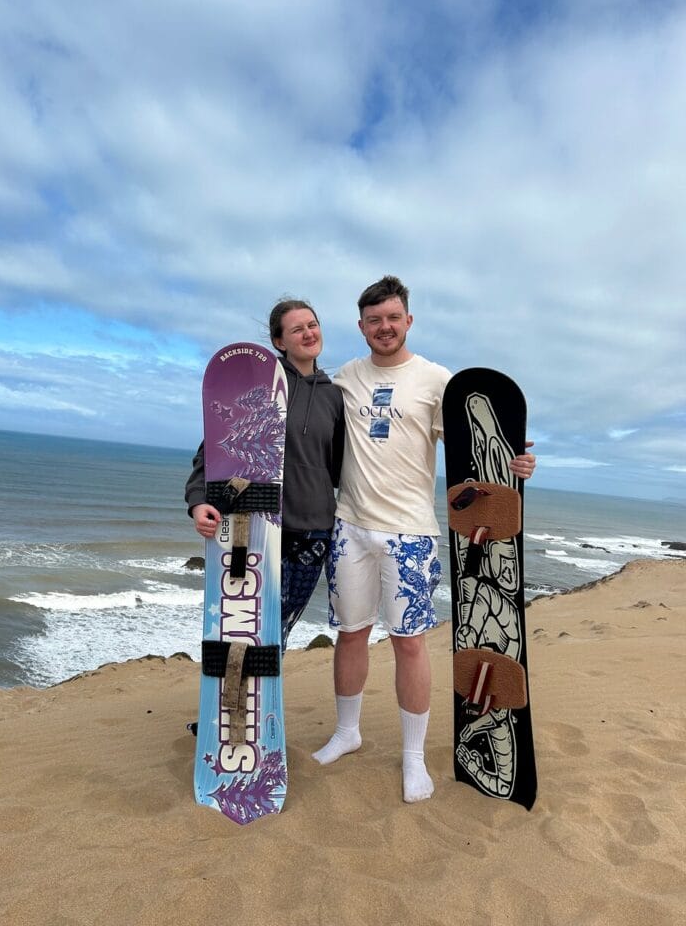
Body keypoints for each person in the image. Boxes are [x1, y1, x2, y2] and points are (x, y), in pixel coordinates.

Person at [312, 275, 535, 803]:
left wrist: (518, 463)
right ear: (361, 325)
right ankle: (348, 732)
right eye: (373, 320)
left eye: (393, 318)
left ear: (408, 320)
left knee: (409, 643)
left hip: (410, 533)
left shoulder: (438, 381)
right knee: (350, 633)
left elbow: (477, 446)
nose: (384, 327)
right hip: (350, 528)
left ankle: (414, 757)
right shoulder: (345, 377)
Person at [185, 299, 344, 652]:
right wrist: (198, 502)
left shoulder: (335, 396)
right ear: (279, 342)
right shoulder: (260, 388)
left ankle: (265, 705)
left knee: (278, 633)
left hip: (314, 533)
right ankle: (233, 703)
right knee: (248, 626)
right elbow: (213, 448)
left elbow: (339, 468)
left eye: (312, 325)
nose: (308, 333)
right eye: (297, 328)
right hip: (261, 525)